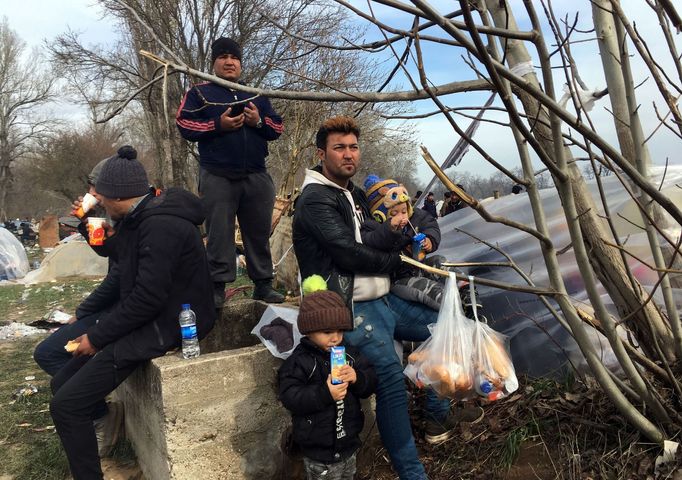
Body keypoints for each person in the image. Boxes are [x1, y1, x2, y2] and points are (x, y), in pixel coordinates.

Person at [292, 116, 483, 480]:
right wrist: (396, 257)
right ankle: (412, 473)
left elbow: (377, 234)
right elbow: (349, 253)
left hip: (382, 301)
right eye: (339, 148)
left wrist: (401, 234)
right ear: (321, 154)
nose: (349, 154)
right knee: (392, 381)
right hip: (347, 308)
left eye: (353, 147)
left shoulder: (355, 193)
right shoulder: (315, 200)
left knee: (443, 330)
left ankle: (436, 418)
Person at [49, 149, 216, 480]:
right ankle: (94, 444)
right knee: (61, 383)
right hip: (148, 317)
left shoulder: (161, 224)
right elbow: (115, 250)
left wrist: (96, 337)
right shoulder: (140, 214)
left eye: (101, 195)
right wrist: (87, 222)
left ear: (119, 195)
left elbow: (146, 299)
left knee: (67, 405)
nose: (98, 199)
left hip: (166, 324)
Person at [176, 36, 284, 308]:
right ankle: (217, 288)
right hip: (217, 174)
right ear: (213, 63)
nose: (229, 62)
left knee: (259, 233)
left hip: (256, 174)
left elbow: (277, 128)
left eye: (234, 57)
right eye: (223, 57)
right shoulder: (200, 93)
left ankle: (263, 285)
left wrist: (258, 122)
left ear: (240, 63)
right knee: (219, 234)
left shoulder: (257, 95)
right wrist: (218, 124)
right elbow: (184, 124)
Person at [34, 152, 124, 457]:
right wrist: (87, 221)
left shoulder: (135, 219)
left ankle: (100, 414)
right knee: (47, 353)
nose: (93, 193)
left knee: (53, 360)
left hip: (121, 309)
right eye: (92, 187)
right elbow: (104, 253)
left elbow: (119, 279)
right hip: (108, 304)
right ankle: (98, 409)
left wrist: (83, 315)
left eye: (97, 188)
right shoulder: (106, 213)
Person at [278, 276, 377, 480]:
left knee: (348, 475)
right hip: (318, 449)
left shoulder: (348, 354)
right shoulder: (301, 361)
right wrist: (325, 393)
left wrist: (357, 377)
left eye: (340, 331)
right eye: (327, 332)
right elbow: (290, 396)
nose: (336, 337)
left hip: (349, 441)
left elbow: (370, 380)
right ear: (309, 331)